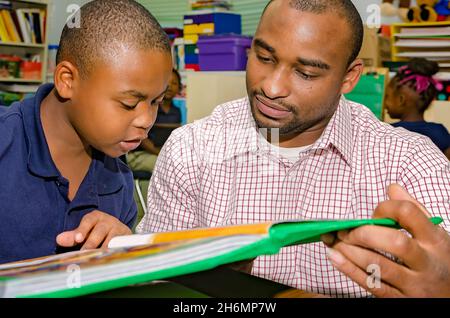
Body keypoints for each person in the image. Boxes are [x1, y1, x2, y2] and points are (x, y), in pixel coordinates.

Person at [137, 0, 450, 298]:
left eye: (306, 73)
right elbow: (157, 282)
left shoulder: (413, 165)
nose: (272, 88)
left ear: (349, 77)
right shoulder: (191, 149)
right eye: (264, 57)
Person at [0, 0, 173, 264]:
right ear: (67, 80)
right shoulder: (6, 143)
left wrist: (122, 253)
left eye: (156, 102)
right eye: (128, 103)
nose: (146, 120)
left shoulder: (119, 181)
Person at [385, 58, 450, 160]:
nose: (385, 104)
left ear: (401, 100)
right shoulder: (439, 131)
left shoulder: (389, 132)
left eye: (387, 97)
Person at [127, 68, 182, 173]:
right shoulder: (148, 107)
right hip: (140, 154)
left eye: (174, 83)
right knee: (168, 167)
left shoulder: (177, 111)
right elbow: (142, 139)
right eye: (166, 83)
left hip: (163, 154)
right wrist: (160, 153)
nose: (169, 86)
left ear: (179, 88)